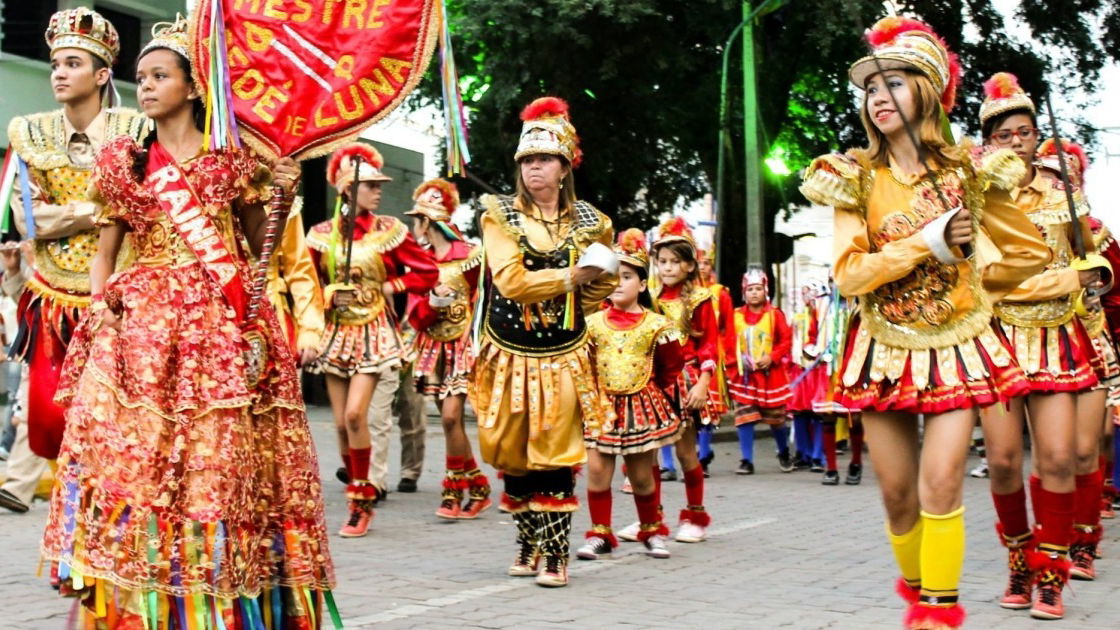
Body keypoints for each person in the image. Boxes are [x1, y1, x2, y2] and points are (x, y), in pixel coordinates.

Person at [40, 18, 336, 627]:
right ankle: (133, 595)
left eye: (159, 76)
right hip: (143, 324)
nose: (145, 87)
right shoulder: (125, 159)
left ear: (193, 86)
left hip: (218, 325)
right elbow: (104, 250)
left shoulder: (233, 158)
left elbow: (260, 247)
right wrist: (101, 309)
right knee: (136, 459)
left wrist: (279, 197)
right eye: (141, 77)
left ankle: (216, 596)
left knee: (217, 459)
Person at [799, 17, 1050, 629]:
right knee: (897, 497)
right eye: (870, 87)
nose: (878, 96)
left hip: (959, 344)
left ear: (930, 92)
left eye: (895, 83)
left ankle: (937, 615)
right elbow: (851, 275)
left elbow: (1028, 255)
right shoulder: (854, 174)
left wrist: (975, 280)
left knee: (942, 486)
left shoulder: (971, 170)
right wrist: (928, 243)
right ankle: (918, 591)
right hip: (880, 345)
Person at [468, 96, 616, 587]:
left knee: (554, 450)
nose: (535, 168)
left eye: (545, 159)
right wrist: (574, 274)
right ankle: (528, 541)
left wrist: (594, 278)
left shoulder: (595, 222)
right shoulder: (498, 216)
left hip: (564, 353)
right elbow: (510, 282)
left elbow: (599, 291)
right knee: (510, 451)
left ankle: (556, 555)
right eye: (528, 160)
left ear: (564, 165)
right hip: (506, 351)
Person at [976, 74, 1107, 619]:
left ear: (1036, 138)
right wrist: (1068, 280)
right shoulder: (975, 197)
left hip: (1058, 338)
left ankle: (1051, 576)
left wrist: (1092, 275)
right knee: (1004, 463)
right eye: (1003, 134)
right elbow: (989, 279)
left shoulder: (1063, 194)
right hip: (997, 339)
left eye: (1024, 133)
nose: (1015, 142)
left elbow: (1091, 257)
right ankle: (1019, 561)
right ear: (988, 142)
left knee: (1057, 457)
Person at [6, 7, 147, 462]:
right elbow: (29, 219)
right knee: (47, 421)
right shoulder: (31, 133)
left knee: (118, 422)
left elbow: (146, 207)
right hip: (53, 297)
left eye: (73, 64)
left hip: (122, 298)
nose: (60, 75)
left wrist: (66, 214)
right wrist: (102, 211)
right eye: (55, 65)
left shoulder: (140, 132)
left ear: (103, 74)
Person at [307, 142, 438, 537]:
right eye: (370, 185)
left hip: (373, 332)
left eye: (380, 185)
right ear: (347, 188)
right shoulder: (320, 235)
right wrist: (330, 295)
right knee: (342, 427)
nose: (378, 191)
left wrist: (392, 286)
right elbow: (309, 285)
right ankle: (356, 487)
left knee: (354, 414)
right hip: (336, 332)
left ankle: (361, 502)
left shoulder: (390, 231)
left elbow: (428, 271)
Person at [577, 228, 684, 561]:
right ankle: (600, 533)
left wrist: (655, 395)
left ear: (641, 283)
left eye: (626, 277)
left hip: (641, 404)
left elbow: (671, 367)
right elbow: (583, 364)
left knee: (641, 476)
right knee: (597, 471)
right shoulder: (591, 323)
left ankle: (651, 529)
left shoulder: (657, 325)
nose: (619, 283)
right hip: (601, 407)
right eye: (613, 277)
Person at [619, 217, 722, 544]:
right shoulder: (647, 296)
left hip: (685, 381)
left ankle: (695, 516)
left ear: (690, 265)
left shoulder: (700, 300)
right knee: (646, 452)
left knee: (685, 452)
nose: (666, 268)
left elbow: (709, 345)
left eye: (675, 262)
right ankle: (650, 520)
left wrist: (703, 382)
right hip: (650, 381)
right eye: (661, 261)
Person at [404, 178, 491, 518]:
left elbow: (483, 301)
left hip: (462, 346)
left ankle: (453, 488)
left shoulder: (470, 256)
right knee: (448, 420)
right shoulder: (419, 262)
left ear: (427, 222)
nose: (415, 227)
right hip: (433, 348)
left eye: (417, 220)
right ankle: (478, 485)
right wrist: (434, 304)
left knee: (452, 417)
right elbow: (416, 315)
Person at [729, 268, 794, 474]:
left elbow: (786, 340)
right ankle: (746, 460)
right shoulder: (735, 316)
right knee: (744, 417)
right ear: (744, 292)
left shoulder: (775, 315)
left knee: (776, 419)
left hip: (770, 376)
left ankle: (783, 451)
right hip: (745, 376)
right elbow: (727, 341)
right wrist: (738, 360)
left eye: (758, 288)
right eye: (750, 289)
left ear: (765, 290)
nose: (754, 293)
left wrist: (772, 357)